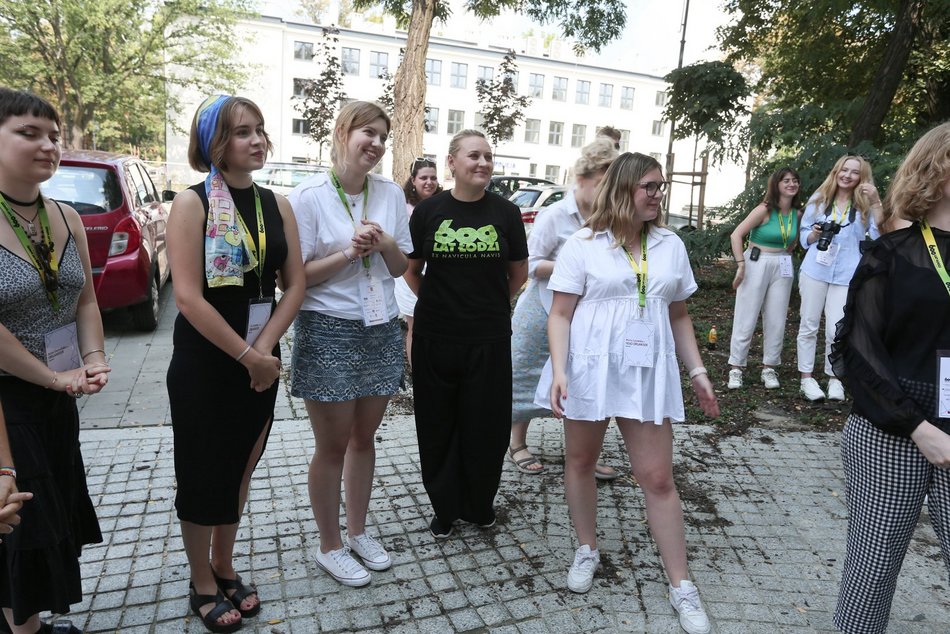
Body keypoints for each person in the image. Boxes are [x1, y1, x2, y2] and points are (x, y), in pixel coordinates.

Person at [535, 152, 719, 634]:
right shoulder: (583, 244)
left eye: (660, 187)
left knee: (657, 477)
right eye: (650, 186)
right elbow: (560, 314)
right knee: (580, 461)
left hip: (645, 373)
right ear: (623, 189)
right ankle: (586, 547)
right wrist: (559, 371)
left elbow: (678, 314)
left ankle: (681, 583)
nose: (658, 194)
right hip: (588, 369)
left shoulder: (671, 244)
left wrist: (696, 371)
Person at [166, 95, 305, 632]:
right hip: (208, 361)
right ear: (214, 145)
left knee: (242, 467)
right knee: (204, 470)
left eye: (260, 129)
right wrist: (249, 354)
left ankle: (225, 563)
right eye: (242, 132)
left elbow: (293, 284)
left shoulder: (277, 204)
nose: (257, 140)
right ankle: (201, 581)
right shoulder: (191, 203)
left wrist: (265, 350)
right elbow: (187, 297)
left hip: (260, 361)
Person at [829, 122, 950, 633]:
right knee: (872, 571)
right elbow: (855, 352)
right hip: (892, 431)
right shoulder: (892, 253)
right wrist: (918, 428)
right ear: (940, 171)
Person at [288, 101, 411, 587]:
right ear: (342, 133)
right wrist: (348, 252)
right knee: (332, 445)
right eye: (368, 133)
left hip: (380, 327)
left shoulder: (390, 193)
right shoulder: (309, 196)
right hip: (328, 327)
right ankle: (330, 544)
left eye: (383, 136)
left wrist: (383, 246)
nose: (377, 144)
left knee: (365, 439)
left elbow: (403, 268)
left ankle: (358, 532)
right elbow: (293, 280)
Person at [0, 88, 108, 634]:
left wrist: (92, 359)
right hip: (8, 400)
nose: (48, 145)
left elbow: (84, 298)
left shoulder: (64, 215)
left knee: (50, 509)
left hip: (57, 395)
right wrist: (52, 377)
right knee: (22, 521)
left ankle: (29, 621)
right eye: (28, 133)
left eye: (54, 135)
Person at [404, 129, 528, 538]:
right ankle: (445, 506)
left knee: (486, 427)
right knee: (438, 424)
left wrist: (486, 306)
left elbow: (519, 273)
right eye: (474, 155)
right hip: (435, 338)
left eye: (489, 156)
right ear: (452, 163)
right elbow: (411, 270)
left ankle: (478, 505)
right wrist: (442, 304)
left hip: (489, 339)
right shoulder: (428, 212)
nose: (483, 163)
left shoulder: (506, 214)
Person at [509, 138, 620, 476]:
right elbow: (528, 264)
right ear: (583, 177)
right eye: (603, 183)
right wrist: (572, 268)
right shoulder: (555, 215)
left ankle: (585, 454)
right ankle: (516, 443)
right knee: (524, 373)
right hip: (544, 307)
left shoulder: (612, 217)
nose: (606, 193)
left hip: (589, 313)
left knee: (586, 379)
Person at [796, 155, 885, 402]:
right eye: (843, 170)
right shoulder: (820, 199)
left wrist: (876, 202)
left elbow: (880, 235)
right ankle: (807, 378)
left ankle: (834, 378)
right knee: (809, 324)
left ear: (861, 177)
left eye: (854, 172)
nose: (847, 175)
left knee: (837, 329)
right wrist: (813, 235)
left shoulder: (864, 205)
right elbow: (804, 235)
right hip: (815, 270)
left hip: (846, 274)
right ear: (836, 172)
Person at [727, 168, 803, 390]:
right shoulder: (764, 210)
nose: (791, 184)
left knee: (777, 317)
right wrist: (741, 264)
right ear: (776, 185)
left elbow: (792, 241)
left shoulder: (797, 214)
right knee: (746, 314)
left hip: (782, 262)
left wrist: (785, 254)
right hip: (757, 261)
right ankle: (736, 367)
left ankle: (769, 367)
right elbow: (736, 234)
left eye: (795, 180)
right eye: (786, 180)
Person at [394, 158, 441, 367]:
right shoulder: (403, 206)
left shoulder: (444, 204)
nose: (429, 182)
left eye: (433, 177)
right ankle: (418, 371)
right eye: (423, 178)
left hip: (436, 272)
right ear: (413, 180)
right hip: (410, 271)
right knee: (415, 325)